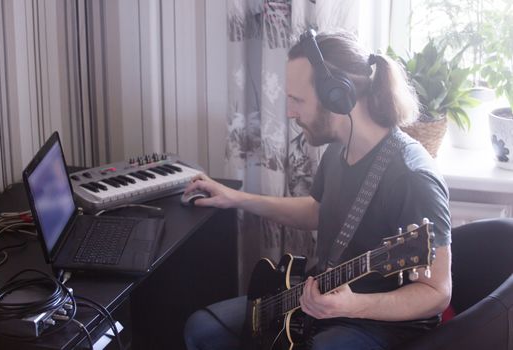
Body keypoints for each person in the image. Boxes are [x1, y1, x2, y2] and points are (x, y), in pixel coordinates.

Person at [183, 29, 451, 350]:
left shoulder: (412, 176)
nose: (290, 112)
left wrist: (355, 306)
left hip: (381, 326)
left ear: (337, 95)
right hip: (323, 297)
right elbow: (317, 211)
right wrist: (235, 199)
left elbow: (437, 293)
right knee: (201, 329)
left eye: (297, 100)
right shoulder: (339, 148)